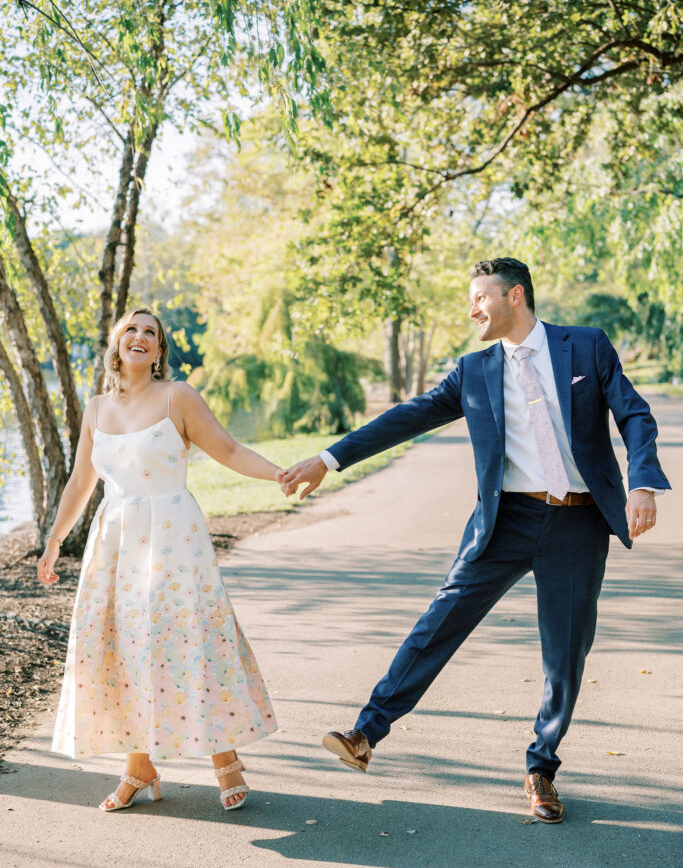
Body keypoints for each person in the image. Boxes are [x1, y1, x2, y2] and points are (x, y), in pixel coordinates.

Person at [277, 257, 670, 824]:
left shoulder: (585, 346)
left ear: (515, 295)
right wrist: (327, 459)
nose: (472, 309)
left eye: (480, 298)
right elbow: (404, 418)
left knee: (565, 656)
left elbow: (634, 414)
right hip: (504, 523)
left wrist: (644, 483)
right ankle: (366, 733)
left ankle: (542, 767)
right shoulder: (474, 370)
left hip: (579, 525)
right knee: (441, 619)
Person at [38, 306, 280, 813]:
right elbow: (82, 482)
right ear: (117, 343)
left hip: (174, 539)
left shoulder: (178, 397)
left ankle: (224, 758)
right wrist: (56, 539)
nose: (141, 336)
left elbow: (230, 452)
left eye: (151, 332)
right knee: (126, 647)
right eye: (132, 329)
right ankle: (139, 765)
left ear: (159, 350)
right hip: (115, 543)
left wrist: (280, 474)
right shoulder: (98, 408)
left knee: (187, 639)